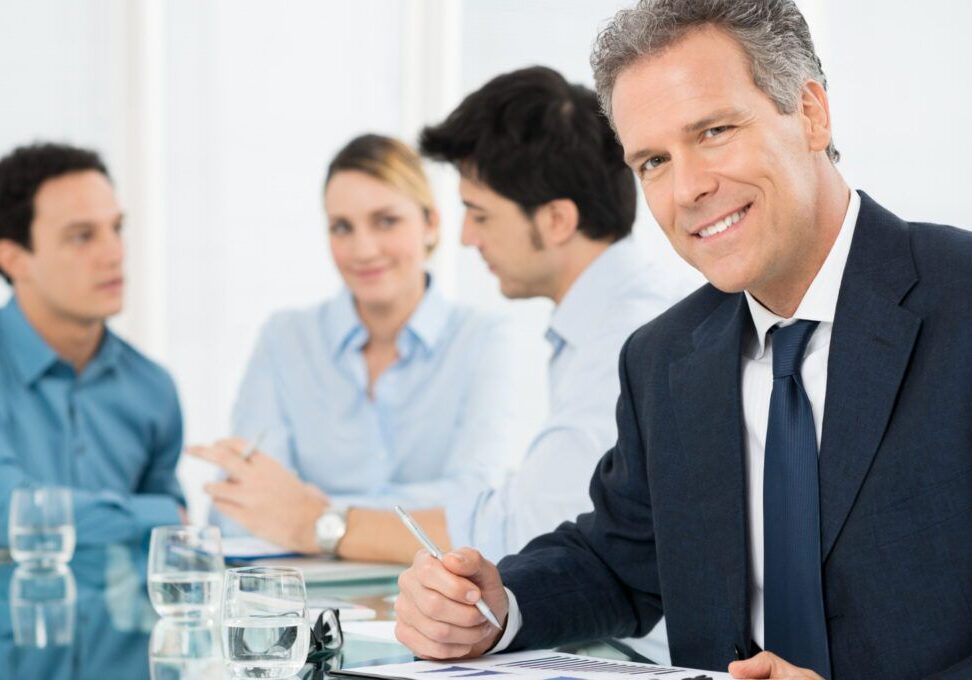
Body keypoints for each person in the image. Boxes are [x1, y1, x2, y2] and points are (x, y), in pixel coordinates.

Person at [392, 2, 972, 679]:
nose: (690, 188)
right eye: (654, 161)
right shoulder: (664, 358)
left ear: (811, 114)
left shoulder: (959, 303)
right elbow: (620, 558)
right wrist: (494, 609)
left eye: (716, 131)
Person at [330, 68, 683, 588]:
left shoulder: (630, 339)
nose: (468, 237)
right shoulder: (601, 322)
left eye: (480, 214)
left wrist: (325, 526)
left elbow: (527, 530)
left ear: (557, 221)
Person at [191, 134, 524, 554]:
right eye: (342, 227)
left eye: (386, 221)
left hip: (430, 597)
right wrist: (367, 522)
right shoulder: (285, 339)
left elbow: (479, 502)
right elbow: (241, 505)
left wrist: (310, 516)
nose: (363, 249)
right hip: (298, 593)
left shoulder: (484, 339)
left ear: (431, 224)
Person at [0, 142, 186, 546]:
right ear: (14, 258)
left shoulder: (153, 389)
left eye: (116, 229)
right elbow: (10, 513)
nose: (114, 253)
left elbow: (169, 551)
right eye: (82, 236)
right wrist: (157, 514)